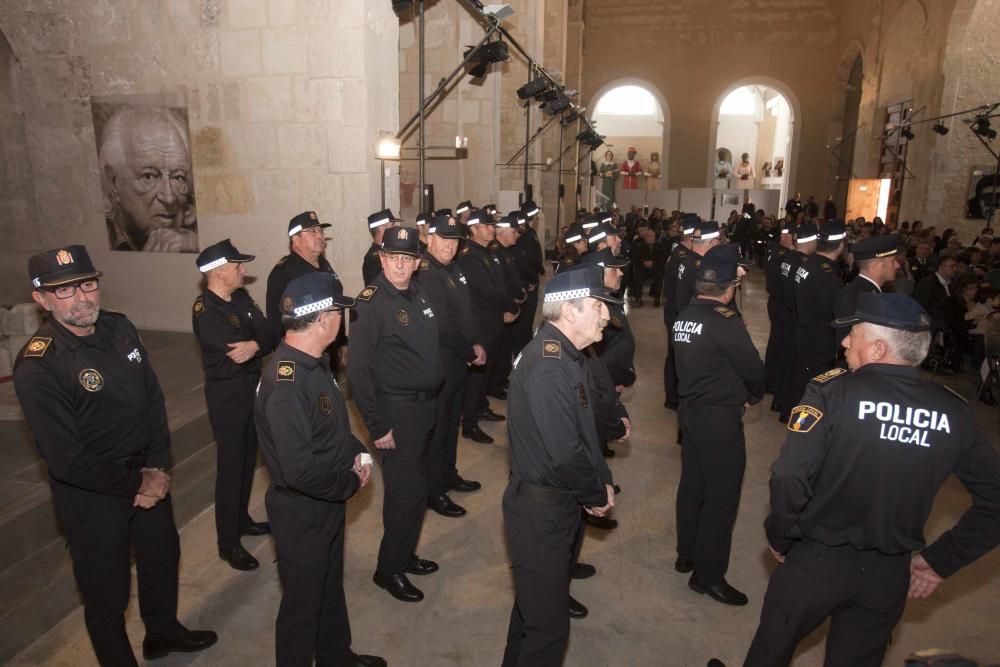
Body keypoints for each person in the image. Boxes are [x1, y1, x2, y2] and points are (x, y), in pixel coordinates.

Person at [741, 293, 1000, 667]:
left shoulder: (832, 392)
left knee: (770, 652)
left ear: (878, 347)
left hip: (815, 561)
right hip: (887, 576)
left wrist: (781, 536)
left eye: (854, 335)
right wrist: (941, 560)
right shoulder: (954, 414)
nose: (845, 342)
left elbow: (789, 475)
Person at [14, 245, 217, 665]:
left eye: (88, 284)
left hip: (147, 471)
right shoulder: (40, 365)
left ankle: (161, 634)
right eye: (66, 290)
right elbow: (66, 459)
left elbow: (152, 400)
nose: (83, 297)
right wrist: (137, 483)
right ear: (41, 299)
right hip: (92, 496)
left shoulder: (120, 327)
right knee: (107, 595)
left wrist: (157, 466)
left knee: (162, 559)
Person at [255, 273, 385, 667]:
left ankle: (335, 656)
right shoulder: (287, 382)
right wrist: (348, 483)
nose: (341, 320)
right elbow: (297, 470)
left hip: (323, 501)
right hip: (302, 510)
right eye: (338, 312)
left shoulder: (312, 364)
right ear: (324, 319)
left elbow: (329, 427)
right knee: (301, 607)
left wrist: (356, 450)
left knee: (328, 588)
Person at [501, 267, 617, 666]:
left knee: (531, 616)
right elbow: (566, 452)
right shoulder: (550, 365)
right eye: (599, 306)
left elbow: (582, 432)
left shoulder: (568, 355)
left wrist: (601, 479)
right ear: (569, 311)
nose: (606, 316)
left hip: (553, 506)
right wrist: (594, 494)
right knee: (548, 631)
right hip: (541, 513)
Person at [348, 226, 443, 603]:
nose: (400, 265)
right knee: (404, 493)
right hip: (396, 413)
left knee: (417, 488)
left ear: (417, 262)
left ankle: (405, 553)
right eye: (393, 258)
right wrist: (377, 424)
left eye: (407, 259)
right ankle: (388, 570)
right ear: (382, 258)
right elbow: (358, 371)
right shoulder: (370, 303)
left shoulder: (420, 292)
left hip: (424, 408)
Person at [672, 244, 764, 606]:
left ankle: (687, 553)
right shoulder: (726, 321)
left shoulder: (684, 315)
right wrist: (753, 394)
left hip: (690, 412)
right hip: (719, 419)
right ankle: (708, 577)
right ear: (730, 287)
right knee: (722, 497)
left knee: (693, 484)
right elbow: (753, 368)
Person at [191, 239, 274, 571]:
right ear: (220, 271)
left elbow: (268, 331)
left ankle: (242, 520)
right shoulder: (206, 311)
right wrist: (256, 345)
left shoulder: (240, 297)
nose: (244, 270)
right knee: (230, 467)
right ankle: (227, 542)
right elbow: (232, 351)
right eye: (238, 266)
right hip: (227, 394)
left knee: (247, 459)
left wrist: (255, 344)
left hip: (252, 385)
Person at [414, 215, 485, 519]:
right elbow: (442, 324)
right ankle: (433, 490)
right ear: (429, 239)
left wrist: (476, 342)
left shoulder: (452, 268)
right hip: (442, 361)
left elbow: (467, 313)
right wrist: (469, 350)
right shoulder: (428, 273)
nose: (449, 245)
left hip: (458, 361)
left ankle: (448, 474)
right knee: (439, 425)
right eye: (444, 239)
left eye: (454, 240)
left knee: (451, 422)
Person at [98, 106, 198, 253]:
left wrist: (197, 244)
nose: (169, 198)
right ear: (113, 181)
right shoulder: (97, 240)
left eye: (178, 177)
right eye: (149, 176)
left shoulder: (194, 235)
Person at [458, 209, 519, 444]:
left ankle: (481, 406)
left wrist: (507, 306)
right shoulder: (470, 256)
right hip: (480, 323)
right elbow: (487, 290)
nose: (492, 229)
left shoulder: (487, 252)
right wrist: (510, 306)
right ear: (474, 229)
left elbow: (499, 284)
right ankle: (469, 423)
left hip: (493, 320)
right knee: (477, 373)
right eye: (487, 226)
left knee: (487, 369)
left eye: (492, 225)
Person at [790, 220, 846, 404]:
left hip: (804, 329)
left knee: (802, 377)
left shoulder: (808, 263)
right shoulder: (827, 274)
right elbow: (835, 310)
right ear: (841, 246)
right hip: (818, 337)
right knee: (814, 384)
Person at [265, 211, 338, 341]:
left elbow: (336, 302)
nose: (320, 236)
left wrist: (341, 341)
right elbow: (276, 321)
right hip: (304, 348)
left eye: (321, 231)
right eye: (312, 231)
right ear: (295, 238)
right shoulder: (283, 272)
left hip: (329, 347)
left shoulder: (324, 264)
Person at [774, 222, 817, 421]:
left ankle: (779, 400)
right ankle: (786, 407)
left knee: (784, 359)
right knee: (792, 362)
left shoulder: (788, 258)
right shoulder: (802, 263)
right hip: (795, 315)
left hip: (786, 311)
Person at [834, 234, 900, 347]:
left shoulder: (857, 291)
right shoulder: (867, 299)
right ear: (877, 266)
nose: (898, 265)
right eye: (893, 261)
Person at [662, 214, 699, 409]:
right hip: (677, 310)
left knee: (674, 354)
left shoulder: (679, 252)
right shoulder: (684, 257)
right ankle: (673, 396)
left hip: (673, 308)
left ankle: (672, 396)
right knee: (677, 355)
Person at [763, 224, 793, 396]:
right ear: (784, 237)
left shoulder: (777, 252)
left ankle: (771, 379)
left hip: (776, 301)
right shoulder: (782, 255)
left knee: (776, 341)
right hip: (779, 302)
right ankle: (772, 381)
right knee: (778, 343)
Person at [914, 255, 958, 333]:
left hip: (947, 324)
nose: (955, 269)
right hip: (933, 326)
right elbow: (924, 307)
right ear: (941, 267)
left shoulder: (951, 283)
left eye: (955, 266)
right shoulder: (927, 283)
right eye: (952, 266)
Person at [362, 209, 403, 285]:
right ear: (382, 228)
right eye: (392, 225)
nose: (396, 227)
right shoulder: (374, 259)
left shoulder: (387, 251)